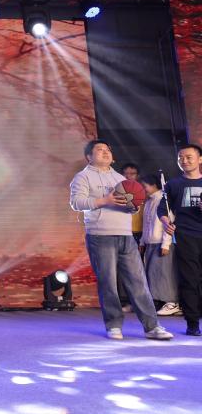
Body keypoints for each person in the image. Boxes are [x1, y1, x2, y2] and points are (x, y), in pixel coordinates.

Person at [69, 139, 172, 340]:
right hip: (100, 235)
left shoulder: (120, 178)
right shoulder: (82, 177)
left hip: (126, 236)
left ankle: (152, 327)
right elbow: (76, 202)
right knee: (108, 283)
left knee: (139, 282)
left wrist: (133, 206)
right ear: (89, 156)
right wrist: (105, 200)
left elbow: (132, 205)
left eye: (107, 150)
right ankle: (114, 325)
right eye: (99, 150)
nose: (105, 152)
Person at [158, 144, 202, 336]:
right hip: (186, 237)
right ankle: (192, 323)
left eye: (189, 157)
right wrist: (166, 222)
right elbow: (163, 209)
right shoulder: (173, 184)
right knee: (189, 280)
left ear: (200, 159)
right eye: (180, 158)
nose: (184, 160)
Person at [140, 174, 179, 316]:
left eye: (144, 186)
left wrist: (166, 244)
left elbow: (169, 223)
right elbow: (146, 223)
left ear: (153, 185)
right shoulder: (149, 201)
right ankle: (159, 301)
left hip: (161, 243)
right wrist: (142, 241)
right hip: (150, 242)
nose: (143, 189)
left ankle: (172, 302)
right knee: (153, 274)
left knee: (165, 274)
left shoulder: (164, 200)